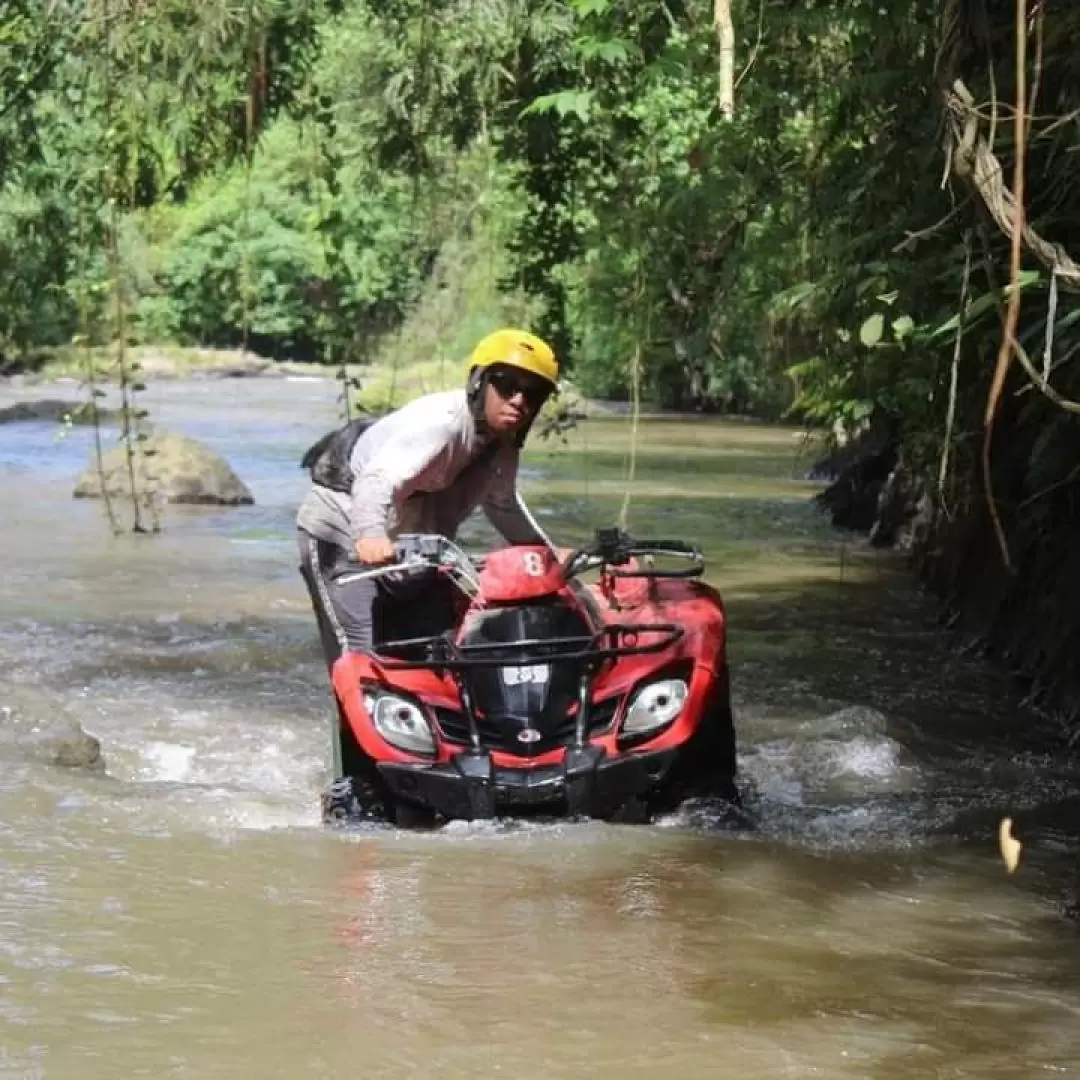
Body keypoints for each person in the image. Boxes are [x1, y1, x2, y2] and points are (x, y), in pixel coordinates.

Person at [296, 327, 560, 669]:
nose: (519, 400)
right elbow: (375, 482)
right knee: (362, 661)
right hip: (343, 530)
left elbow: (502, 505)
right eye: (507, 385)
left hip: (409, 547)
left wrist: (548, 556)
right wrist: (371, 534)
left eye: (533, 393)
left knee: (438, 654)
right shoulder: (442, 426)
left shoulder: (503, 443)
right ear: (479, 382)